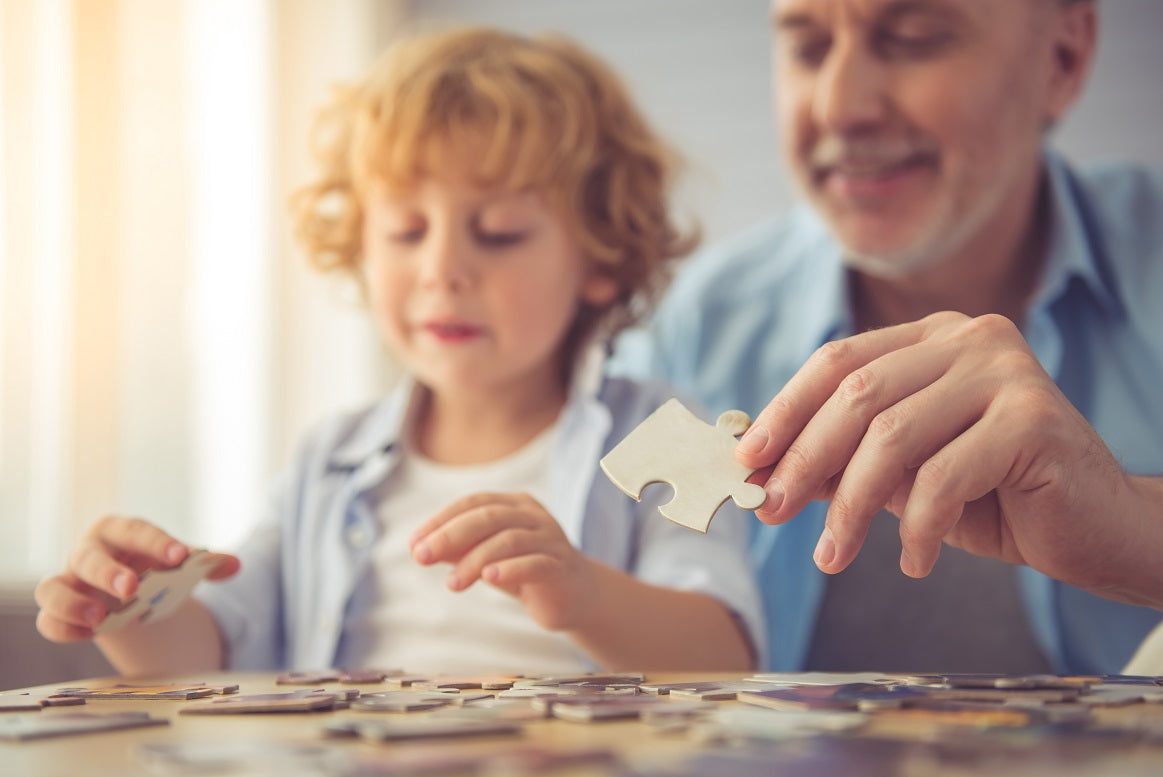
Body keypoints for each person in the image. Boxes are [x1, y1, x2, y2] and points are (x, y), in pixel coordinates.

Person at [33, 27, 763, 676]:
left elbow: (725, 657)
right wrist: (126, 608)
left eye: (500, 231)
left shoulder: (662, 433)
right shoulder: (328, 459)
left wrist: (586, 593)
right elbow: (215, 650)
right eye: (406, 231)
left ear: (600, 257)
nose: (441, 268)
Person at [613, 0, 1163, 674]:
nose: (840, 107)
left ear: (1062, 57)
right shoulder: (699, 320)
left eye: (914, 39)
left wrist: (1133, 525)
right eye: (808, 48)